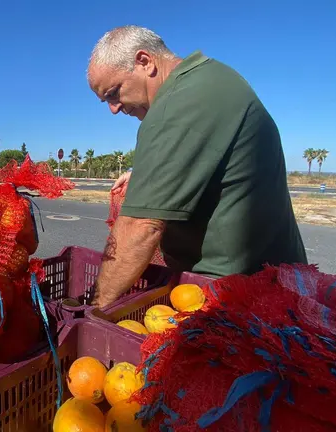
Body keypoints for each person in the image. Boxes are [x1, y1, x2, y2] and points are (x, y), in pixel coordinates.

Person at [87, 26, 307, 308]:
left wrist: (96, 306)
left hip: (234, 296)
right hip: (272, 279)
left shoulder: (175, 106)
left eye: (113, 93)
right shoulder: (210, 78)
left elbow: (141, 226)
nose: (113, 109)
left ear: (145, 61)